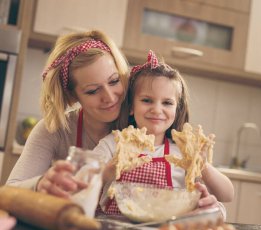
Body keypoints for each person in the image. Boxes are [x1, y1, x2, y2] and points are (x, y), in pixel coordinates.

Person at [92, 50, 234, 216]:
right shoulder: (114, 144)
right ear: (131, 107)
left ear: (176, 109)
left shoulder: (184, 154)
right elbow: (82, 181)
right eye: (147, 100)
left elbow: (227, 195)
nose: (157, 110)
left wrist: (203, 167)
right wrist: (107, 172)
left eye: (167, 103)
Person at [6, 30, 129, 198]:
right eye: (92, 91)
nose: (109, 97)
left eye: (114, 81)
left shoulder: (142, 125)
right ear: (72, 95)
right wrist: (40, 184)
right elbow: (8, 191)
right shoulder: (56, 129)